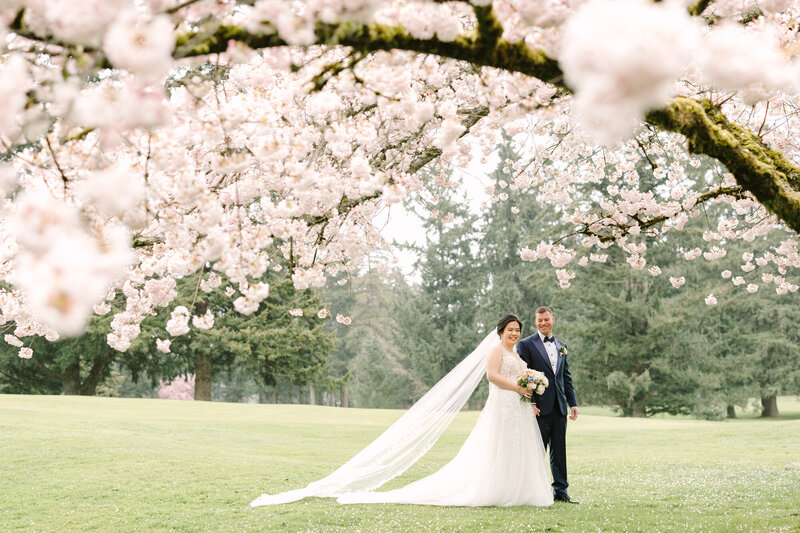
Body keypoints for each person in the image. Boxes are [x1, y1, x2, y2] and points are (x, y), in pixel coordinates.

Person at [251, 314, 553, 507]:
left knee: (518, 448)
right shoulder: (496, 351)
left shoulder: (516, 353)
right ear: (500, 331)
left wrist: (529, 398)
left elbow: (517, 379)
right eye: (510, 330)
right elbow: (493, 377)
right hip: (501, 406)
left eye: (517, 331)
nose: (514, 334)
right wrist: (517, 389)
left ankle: (521, 491)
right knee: (498, 447)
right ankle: (497, 490)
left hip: (518, 407)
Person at [516, 306, 579, 504]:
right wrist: (531, 402)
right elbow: (522, 375)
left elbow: (565, 377)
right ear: (536, 322)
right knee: (537, 451)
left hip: (560, 406)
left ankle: (561, 491)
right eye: (539, 320)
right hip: (538, 408)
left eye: (546, 319)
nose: (543, 323)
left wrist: (573, 403)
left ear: (553, 320)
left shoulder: (561, 345)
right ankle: (534, 492)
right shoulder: (526, 345)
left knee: (559, 452)